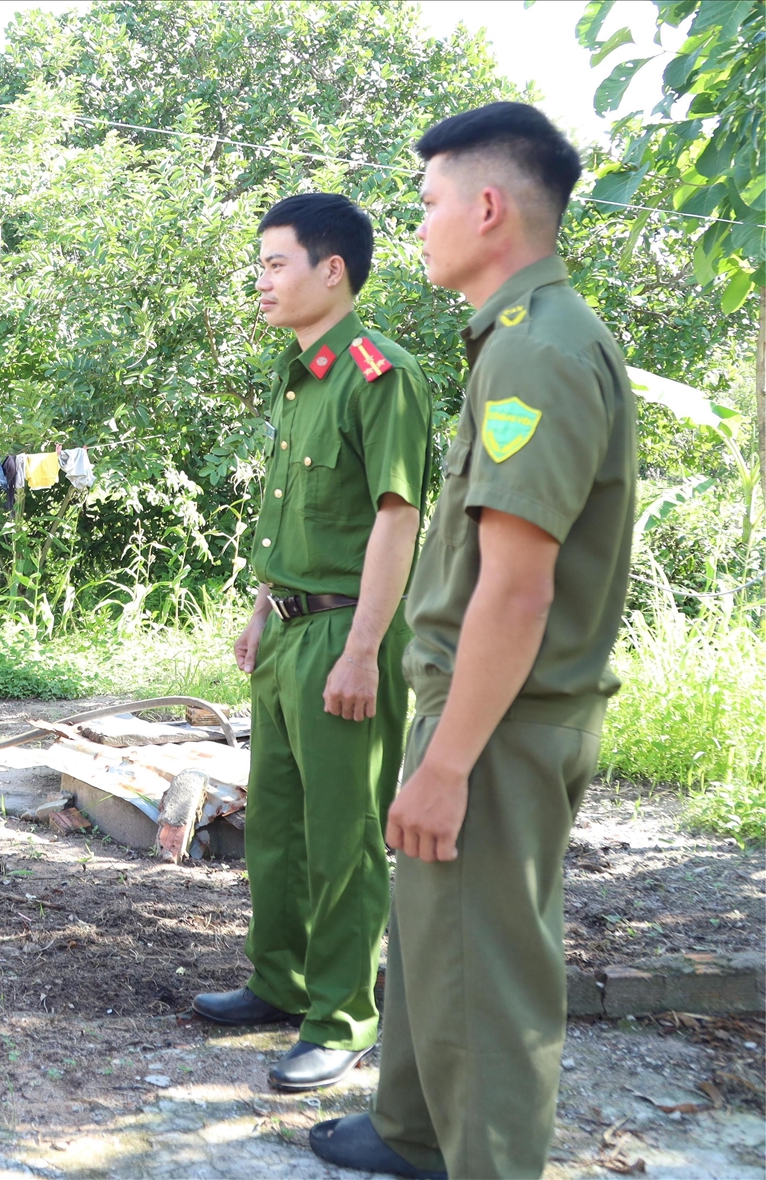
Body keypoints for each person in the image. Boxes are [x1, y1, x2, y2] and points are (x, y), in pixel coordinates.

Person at [309, 103, 636, 1179]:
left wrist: (447, 761)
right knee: (437, 923)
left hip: (497, 716)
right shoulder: (519, 336)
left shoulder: (537, 353)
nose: (419, 226)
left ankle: (486, 1159)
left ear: (489, 208)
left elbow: (517, 595)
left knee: (485, 959)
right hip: (477, 701)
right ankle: (414, 1129)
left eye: (430, 202)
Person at [192, 193, 434, 1091]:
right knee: (281, 828)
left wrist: (365, 648)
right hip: (291, 628)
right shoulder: (300, 377)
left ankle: (341, 1016)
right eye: (259, 263)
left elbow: (395, 516)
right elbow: (292, 510)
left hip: (346, 632)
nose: (260, 279)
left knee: (344, 835)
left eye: (274, 262)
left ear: (331, 271)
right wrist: (263, 605)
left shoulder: (381, 374)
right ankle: (280, 981)